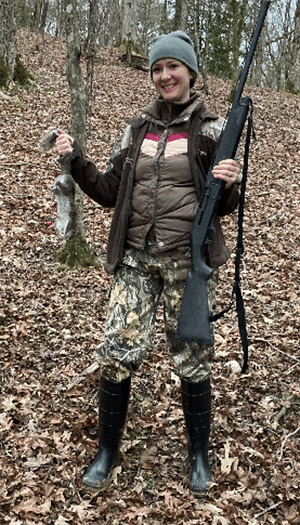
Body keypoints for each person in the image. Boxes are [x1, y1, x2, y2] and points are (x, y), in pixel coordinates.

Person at [54, 30, 241, 497]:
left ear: (190, 72)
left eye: (172, 67)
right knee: (117, 353)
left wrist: (232, 182)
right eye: (157, 68)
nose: (164, 76)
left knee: (193, 360)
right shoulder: (136, 130)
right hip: (136, 259)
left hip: (187, 260)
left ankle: (199, 456)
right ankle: (106, 452)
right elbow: (108, 190)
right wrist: (75, 160)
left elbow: (222, 204)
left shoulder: (212, 131)